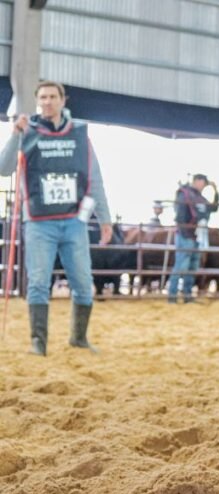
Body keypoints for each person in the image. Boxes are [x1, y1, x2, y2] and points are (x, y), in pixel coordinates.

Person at [0, 80, 112, 355]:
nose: (47, 102)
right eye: (42, 97)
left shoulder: (79, 134)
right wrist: (15, 134)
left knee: (83, 283)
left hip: (74, 222)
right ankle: (38, 342)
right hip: (39, 222)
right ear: (38, 101)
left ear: (63, 100)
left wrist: (105, 218)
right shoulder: (28, 132)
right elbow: (4, 169)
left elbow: (94, 178)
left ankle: (79, 338)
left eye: (52, 96)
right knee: (38, 283)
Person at [167, 174, 219, 303]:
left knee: (192, 267)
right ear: (196, 181)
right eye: (203, 182)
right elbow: (180, 216)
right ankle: (172, 296)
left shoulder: (200, 197)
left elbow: (214, 208)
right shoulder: (184, 194)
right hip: (187, 235)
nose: (204, 185)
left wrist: (216, 192)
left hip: (196, 237)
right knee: (181, 266)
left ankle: (187, 295)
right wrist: (187, 231)